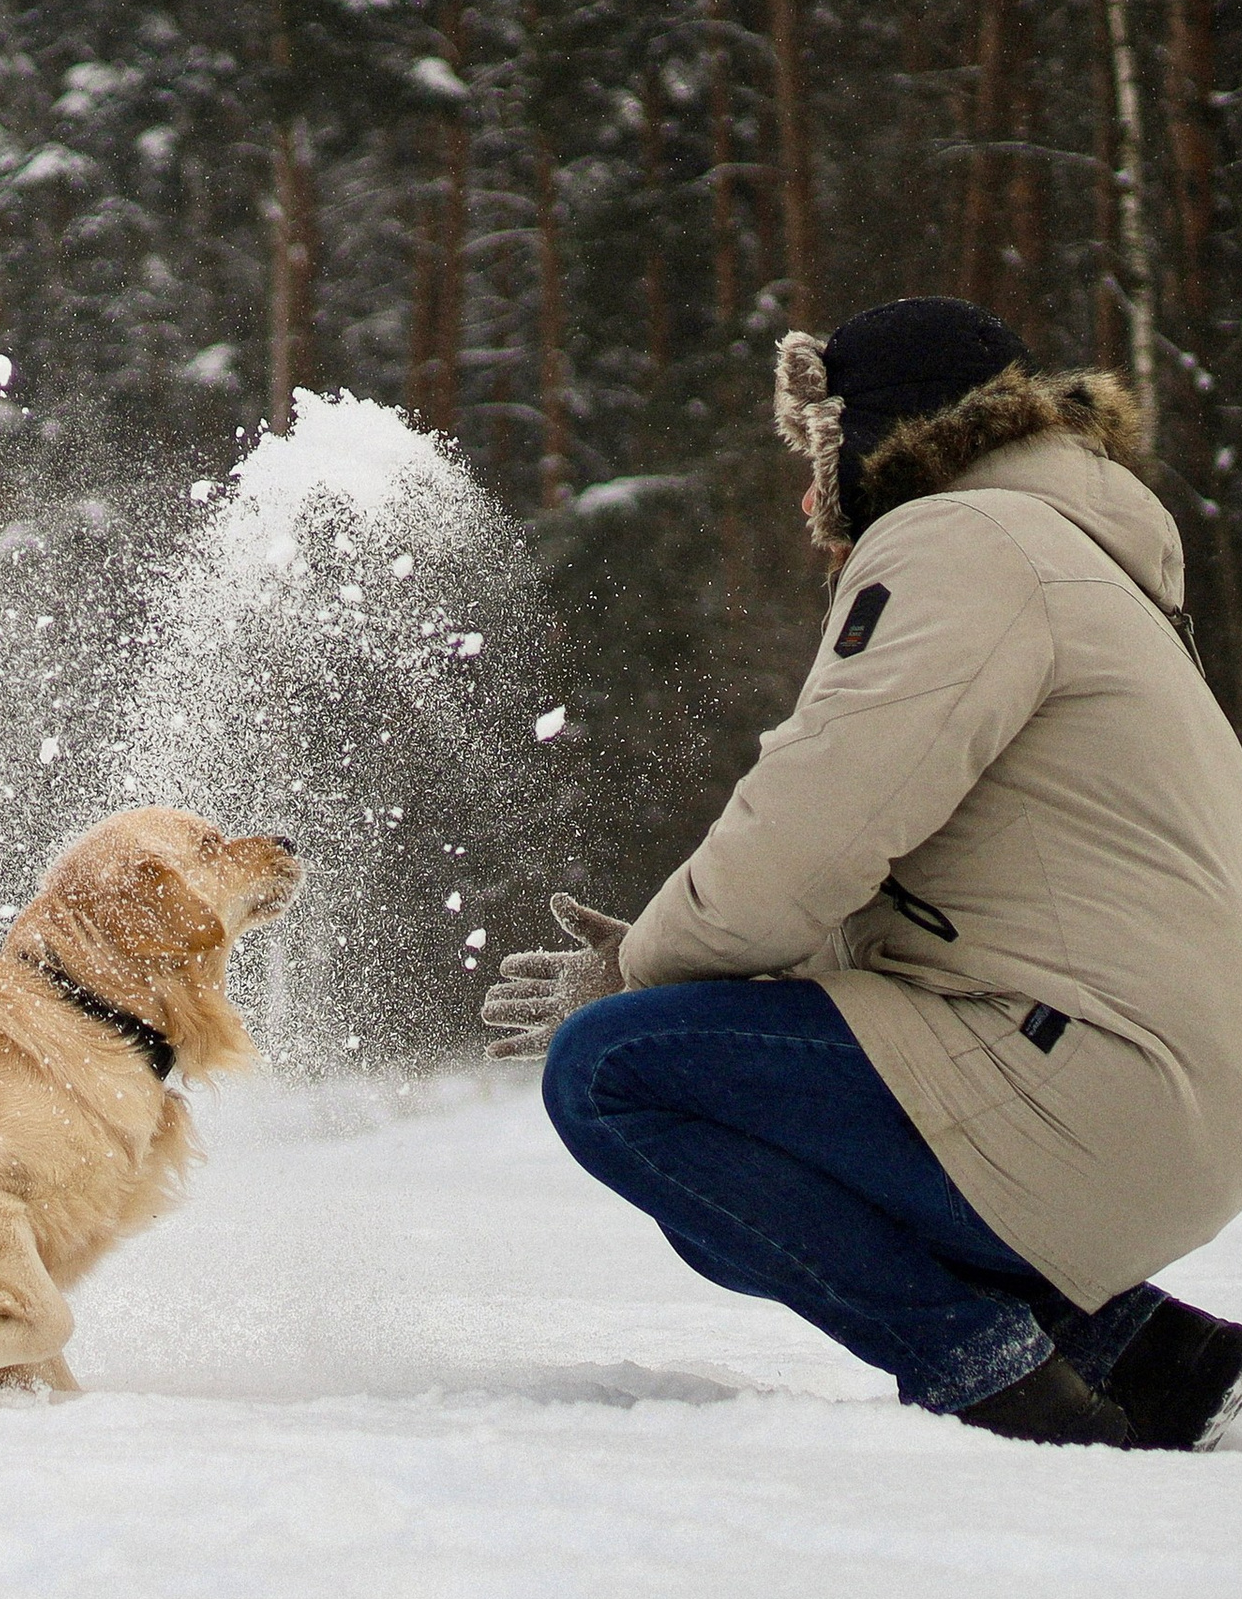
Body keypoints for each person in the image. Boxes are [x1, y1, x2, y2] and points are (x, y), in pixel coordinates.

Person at [484, 298, 1242, 1450]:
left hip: (1096, 1075)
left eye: (819, 450)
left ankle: (1002, 1387)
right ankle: (1152, 1355)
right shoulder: (1081, 558)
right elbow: (914, 888)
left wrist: (635, 971)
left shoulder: (960, 542)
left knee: (619, 1071)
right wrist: (686, 957)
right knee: (749, 1116)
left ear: (887, 433)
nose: (806, 494)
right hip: (1156, 1087)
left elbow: (816, 835)